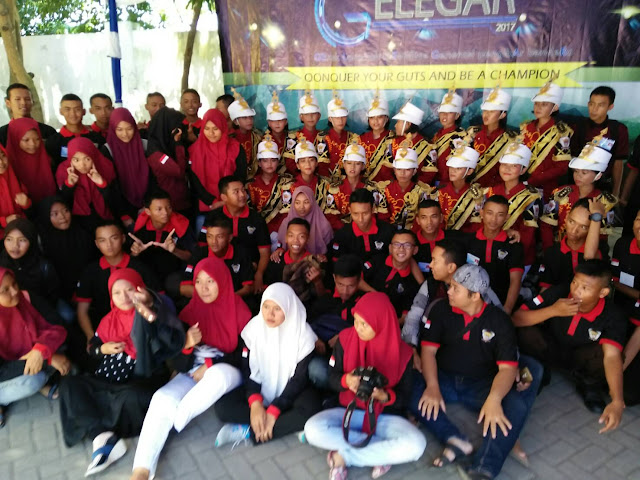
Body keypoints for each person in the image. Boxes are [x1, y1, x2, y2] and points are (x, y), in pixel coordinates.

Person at [412, 264, 541, 480]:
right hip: (443, 380)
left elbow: (507, 368)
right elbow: (428, 351)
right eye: (451, 286)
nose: (449, 291)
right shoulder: (440, 309)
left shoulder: (499, 321)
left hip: (481, 385)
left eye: (456, 289)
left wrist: (494, 399)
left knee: (516, 404)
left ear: (475, 296)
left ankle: (484, 467)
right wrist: (432, 386)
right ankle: (454, 438)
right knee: (410, 383)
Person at [130, 257, 252, 480]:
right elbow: (177, 361)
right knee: (162, 398)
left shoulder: (239, 309)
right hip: (193, 371)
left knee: (217, 376)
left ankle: (176, 420)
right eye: (198, 281)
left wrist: (210, 364)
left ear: (222, 281)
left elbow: (247, 355)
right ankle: (141, 471)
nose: (203, 288)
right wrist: (186, 346)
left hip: (227, 368)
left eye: (210, 281)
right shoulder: (189, 311)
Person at [59, 268, 185, 476]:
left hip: (139, 381)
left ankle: (98, 431)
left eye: (129, 290)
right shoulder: (109, 319)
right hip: (108, 380)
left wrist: (149, 311)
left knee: (132, 397)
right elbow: (92, 348)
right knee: (70, 385)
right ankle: (102, 434)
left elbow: (171, 340)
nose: (124, 297)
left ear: (140, 290)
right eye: (116, 293)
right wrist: (103, 349)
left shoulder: (151, 314)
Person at [304, 292, 426, 480]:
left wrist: (385, 397)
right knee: (312, 429)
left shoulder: (404, 354)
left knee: (417, 445)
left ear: (382, 323)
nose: (358, 328)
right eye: (356, 321)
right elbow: (332, 378)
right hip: (348, 412)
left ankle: (343, 457)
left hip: (383, 416)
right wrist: (346, 380)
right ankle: (379, 452)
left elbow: (404, 397)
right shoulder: (345, 339)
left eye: (364, 324)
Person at [513, 260, 626, 424]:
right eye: (575, 282)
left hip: (580, 358)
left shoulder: (613, 315)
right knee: (526, 331)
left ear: (603, 292)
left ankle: (589, 385)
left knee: (607, 353)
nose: (576, 290)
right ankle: (540, 371)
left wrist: (617, 400)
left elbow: (612, 356)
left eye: (585, 288)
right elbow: (516, 318)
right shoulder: (560, 291)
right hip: (552, 348)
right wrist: (553, 310)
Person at [213, 283, 320, 447]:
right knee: (222, 407)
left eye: (277, 308)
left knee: (311, 408)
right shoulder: (253, 330)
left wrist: (275, 410)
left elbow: (299, 380)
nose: (270, 314)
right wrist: (255, 403)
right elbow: (248, 370)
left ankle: (249, 431)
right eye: (266, 307)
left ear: (289, 309)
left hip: (291, 393)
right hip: (260, 389)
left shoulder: (304, 336)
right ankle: (286, 426)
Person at [0, 267, 69, 426]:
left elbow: (57, 325)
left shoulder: (25, 298)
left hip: (23, 359)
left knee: (61, 352)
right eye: (5, 290)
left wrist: (41, 350)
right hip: (4, 371)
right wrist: (47, 359)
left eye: (14, 284)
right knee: (33, 381)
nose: (14, 291)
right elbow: (2, 371)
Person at [75, 220, 158, 347]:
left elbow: (159, 300)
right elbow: (82, 310)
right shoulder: (90, 271)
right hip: (104, 331)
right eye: (102, 240)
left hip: (139, 327)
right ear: (97, 244)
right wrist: (91, 338)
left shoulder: (139, 267)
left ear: (123, 238)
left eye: (114, 238)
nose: (109, 245)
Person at [540, 138, 617, 252]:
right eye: (576, 171)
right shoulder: (559, 193)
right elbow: (546, 226)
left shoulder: (605, 202)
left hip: (585, 252)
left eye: (584, 172)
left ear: (598, 176)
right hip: (558, 249)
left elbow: (602, 237)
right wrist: (550, 251)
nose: (578, 176)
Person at [307, 254, 364, 389]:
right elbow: (307, 324)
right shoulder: (326, 299)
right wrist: (314, 338)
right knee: (316, 370)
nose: (345, 291)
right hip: (326, 357)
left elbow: (374, 330)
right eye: (340, 284)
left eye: (351, 286)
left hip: (353, 361)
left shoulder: (364, 303)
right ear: (334, 278)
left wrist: (345, 336)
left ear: (359, 281)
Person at [205, 176, 271, 293]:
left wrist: (259, 274)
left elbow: (264, 252)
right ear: (224, 197)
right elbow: (204, 247)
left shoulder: (256, 219)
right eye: (236, 192)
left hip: (251, 269)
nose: (242, 195)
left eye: (243, 190)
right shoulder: (214, 217)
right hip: (219, 268)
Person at [485, 141, 542, 268]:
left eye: (514, 165)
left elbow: (528, 234)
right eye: (504, 164)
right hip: (488, 250)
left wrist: (516, 260)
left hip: (517, 256)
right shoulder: (490, 192)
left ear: (523, 170)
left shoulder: (531, 197)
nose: (507, 169)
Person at [466, 195, 524, 314]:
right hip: (472, 304)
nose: (493, 219)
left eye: (500, 215)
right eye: (489, 213)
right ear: (481, 213)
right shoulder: (469, 240)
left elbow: (515, 281)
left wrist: (507, 309)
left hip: (501, 304)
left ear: (507, 217)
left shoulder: (513, 245)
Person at [129, 189, 194, 293]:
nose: (165, 213)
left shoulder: (181, 226)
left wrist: (174, 250)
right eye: (159, 209)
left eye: (168, 207)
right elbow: (130, 260)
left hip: (175, 274)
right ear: (148, 211)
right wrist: (135, 253)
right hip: (148, 275)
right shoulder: (140, 229)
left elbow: (191, 256)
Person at [36, 196, 97, 308]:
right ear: (46, 217)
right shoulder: (44, 242)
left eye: (66, 210)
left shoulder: (82, 232)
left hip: (90, 287)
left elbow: (92, 262)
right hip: (62, 294)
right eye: (55, 214)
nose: (63, 217)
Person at [188, 109, 247, 221]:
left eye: (215, 129)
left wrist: (226, 201)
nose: (211, 133)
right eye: (206, 129)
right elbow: (195, 183)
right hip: (204, 207)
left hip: (232, 204)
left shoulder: (236, 148)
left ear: (223, 127)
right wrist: (213, 202)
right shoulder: (194, 151)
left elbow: (240, 176)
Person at [571, 86, 629, 197]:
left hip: (604, 184)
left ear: (610, 107)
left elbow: (618, 163)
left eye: (600, 105)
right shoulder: (579, 127)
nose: (594, 109)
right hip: (579, 184)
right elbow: (573, 156)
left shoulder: (618, 129)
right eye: (592, 104)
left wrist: (616, 192)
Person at [0, 218, 63, 318]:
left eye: (22, 240)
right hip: (12, 311)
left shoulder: (44, 266)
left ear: (32, 241)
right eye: (9, 239)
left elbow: (53, 296)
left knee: (67, 317)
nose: (15, 246)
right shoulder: (1, 263)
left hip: (41, 310)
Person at [180, 214, 254, 299]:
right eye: (209, 236)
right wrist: (211, 297)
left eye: (219, 237)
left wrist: (227, 299)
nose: (214, 242)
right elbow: (184, 288)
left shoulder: (241, 253)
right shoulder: (199, 253)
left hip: (233, 300)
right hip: (205, 301)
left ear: (230, 238)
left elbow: (248, 288)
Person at [521, 81, 573, 198]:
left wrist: (534, 179)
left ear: (555, 107)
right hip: (520, 183)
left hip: (545, 187)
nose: (538, 107)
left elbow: (562, 167)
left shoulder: (561, 132)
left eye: (544, 104)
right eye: (536, 103)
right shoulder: (526, 127)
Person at [55, 137, 117, 232]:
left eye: (87, 159)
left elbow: (115, 201)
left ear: (93, 156)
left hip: (105, 222)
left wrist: (101, 183)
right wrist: (69, 185)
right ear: (70, 159)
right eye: (76, 160)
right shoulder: (63, 171)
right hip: (77, 224)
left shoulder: (105, 167)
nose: (82, 165)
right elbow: (63, 203)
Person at [538, 198, 602, 289]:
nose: (574, 230)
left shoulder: (599, 250)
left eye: (583, 227)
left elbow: (590, 256)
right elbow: (545, 290)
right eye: (572, 222)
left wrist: (597, 217)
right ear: (566, 217)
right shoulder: (552, 252)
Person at [610, 209, 640, 405]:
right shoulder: (623, 244)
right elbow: (613, 279)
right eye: (638, 219)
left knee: (629, 394)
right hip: (621, 315)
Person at [362, 229, 421, 322]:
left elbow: (403, 318)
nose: (401, 249)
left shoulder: (412, 282)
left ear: (415, 250)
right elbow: (356, 279)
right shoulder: (378, 260)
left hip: (386, 322)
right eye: (396, 244)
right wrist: (378, 296)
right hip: (360, 313)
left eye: (407, 245)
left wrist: (386, 325)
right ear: (390, 248)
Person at [326, 140, 387, 230]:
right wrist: (348, 231)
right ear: (344, 165)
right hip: (342, 232)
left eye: (357, 164)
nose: (352, 167)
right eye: (349, 163)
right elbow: (331, 217)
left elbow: (378, 215)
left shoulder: (372, 188)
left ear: (363, 166)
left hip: (367, 230)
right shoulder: (334, 189)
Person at [377, 135, 434, 230]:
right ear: (394, 170)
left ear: (414, 171)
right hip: (390, 233)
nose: (402, 173)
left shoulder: (422, 192)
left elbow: (421, 219)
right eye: (399, 169)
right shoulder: (384, 190)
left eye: (407, 170)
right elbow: (383, 219)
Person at [102, 107, 151, 215]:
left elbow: (153, 177)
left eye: (129, 128)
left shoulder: (145, 145)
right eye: (119, 129)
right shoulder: (108, 150)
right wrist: (123, 214)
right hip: (122, 207)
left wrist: (149, 204)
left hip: (148, 204)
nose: (125, 134)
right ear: (113, 129)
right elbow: (112, 185)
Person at [266, 218, 327, 302]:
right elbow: (269, 293)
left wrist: (317, 281)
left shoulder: (315, 263)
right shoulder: (276, 260)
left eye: (301, 236)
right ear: (286, 238)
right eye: (291, 235)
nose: (295, 240)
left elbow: (325, 300)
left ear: (308, 239)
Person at [245, 131, 292, 235]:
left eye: (273, 160)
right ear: (259, 163)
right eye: (265, 161)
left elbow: (287, 212)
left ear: (278, 162)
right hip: (256, 230)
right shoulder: (250, 184)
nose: (269, 164)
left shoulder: (285, 183)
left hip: (279, 230)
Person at [331, 188, 395, 264]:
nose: (360, 219)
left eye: (365, 213)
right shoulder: (342, 236)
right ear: (350, 210)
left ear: (373, 209)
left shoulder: (389, 231)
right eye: (355, 214)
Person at [146, 107, 191, 213]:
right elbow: (179, 171)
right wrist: (178, 144)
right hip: (170, 206)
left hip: (181, 201)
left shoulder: (166, 145)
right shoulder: (156, 154)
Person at [468, 84, 514, 188]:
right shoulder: (473, 133)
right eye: (485, 111)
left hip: (495, 189)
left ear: (502, 115)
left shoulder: (509, 139)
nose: (486, 115)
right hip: (471, 188)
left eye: (492, 111)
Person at [5, 117, 57, 203]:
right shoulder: (5, 165)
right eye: (26, 140)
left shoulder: (48, 159)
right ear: (15, 139)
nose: (32, 144)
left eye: (37, 139)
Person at [45, 93, 105, 168]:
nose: (73, 114)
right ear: (61, 111)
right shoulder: (53, 142)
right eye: (67, 109)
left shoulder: (97, 138)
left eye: (77, 109)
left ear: (84, 112)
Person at [435, 142, 483, 232]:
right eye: (451, 167)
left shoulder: (476, 194)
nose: (453, 171)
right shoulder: (439, 191)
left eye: (458, 168)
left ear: (469, 171)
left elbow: (476, 223)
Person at [275, 185, 333, 255]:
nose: (301, 207)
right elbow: (280, 246)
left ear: (312, 203)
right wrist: (279, 250)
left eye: (306, 202)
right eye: (297, 203)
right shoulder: (286, 223)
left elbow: (330, 251)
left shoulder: (323, 225)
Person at [387, 100, 435, 184]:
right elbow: (387, 169)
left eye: (398, 122)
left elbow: (429, 174)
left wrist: (412, 187)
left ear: (408, 123)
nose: (395, 125)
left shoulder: (428, 146)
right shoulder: (393, 142)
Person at [282, 90, 328, 175]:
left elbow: (324, 164)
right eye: (306, 114)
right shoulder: (293, 137)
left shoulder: (324, 137)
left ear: (319, 116)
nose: (310, 117)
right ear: (301, 117)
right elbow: (290, 164)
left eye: (313, 114)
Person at [283, 134, 331, 211]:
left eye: (311, 160)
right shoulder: (289, 187)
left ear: (316, 163)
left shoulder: (325, 185)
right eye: (303, 161)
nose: (307, 164)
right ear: (298, 165)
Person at [432, 89, 466, 185]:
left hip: (449, 182)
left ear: (457, 115)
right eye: (442, 112)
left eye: (450, 112)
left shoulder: (461, 136)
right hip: (434, 180)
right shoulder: (437, 134)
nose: (444, 115)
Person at [322, 91, 357, 179]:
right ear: (330, 119)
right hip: (329, 181)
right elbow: (322, 167)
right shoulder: (323, 138)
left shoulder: (354, 138)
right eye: (337, 117)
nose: (340, 121)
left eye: (343, 117)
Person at [228, 88, 262, 179]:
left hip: (254, 176)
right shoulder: (230, 139)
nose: (249, 120)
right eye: (244, 118)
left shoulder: (257, 136)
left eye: (251, 117)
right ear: (236, 121)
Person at [360, 90, 394, 182]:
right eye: (372, 118)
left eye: (379, 117)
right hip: (364, 185)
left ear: (386, 118)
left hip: (386, 185)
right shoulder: (360, 139)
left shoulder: (393, 139)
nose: (375, 121)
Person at [0, 145, 31, 232]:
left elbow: (31, 212)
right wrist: (4, 221)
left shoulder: (15, 177)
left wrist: (26, 204)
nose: (1, 162)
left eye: (3, 156)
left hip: (21, 229)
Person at [265, 91, 288, 157]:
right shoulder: (264, 141)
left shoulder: (291, 139)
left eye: (280, 120)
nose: (277, 123)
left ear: (286, 122)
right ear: (269, 123)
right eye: (273, 120)